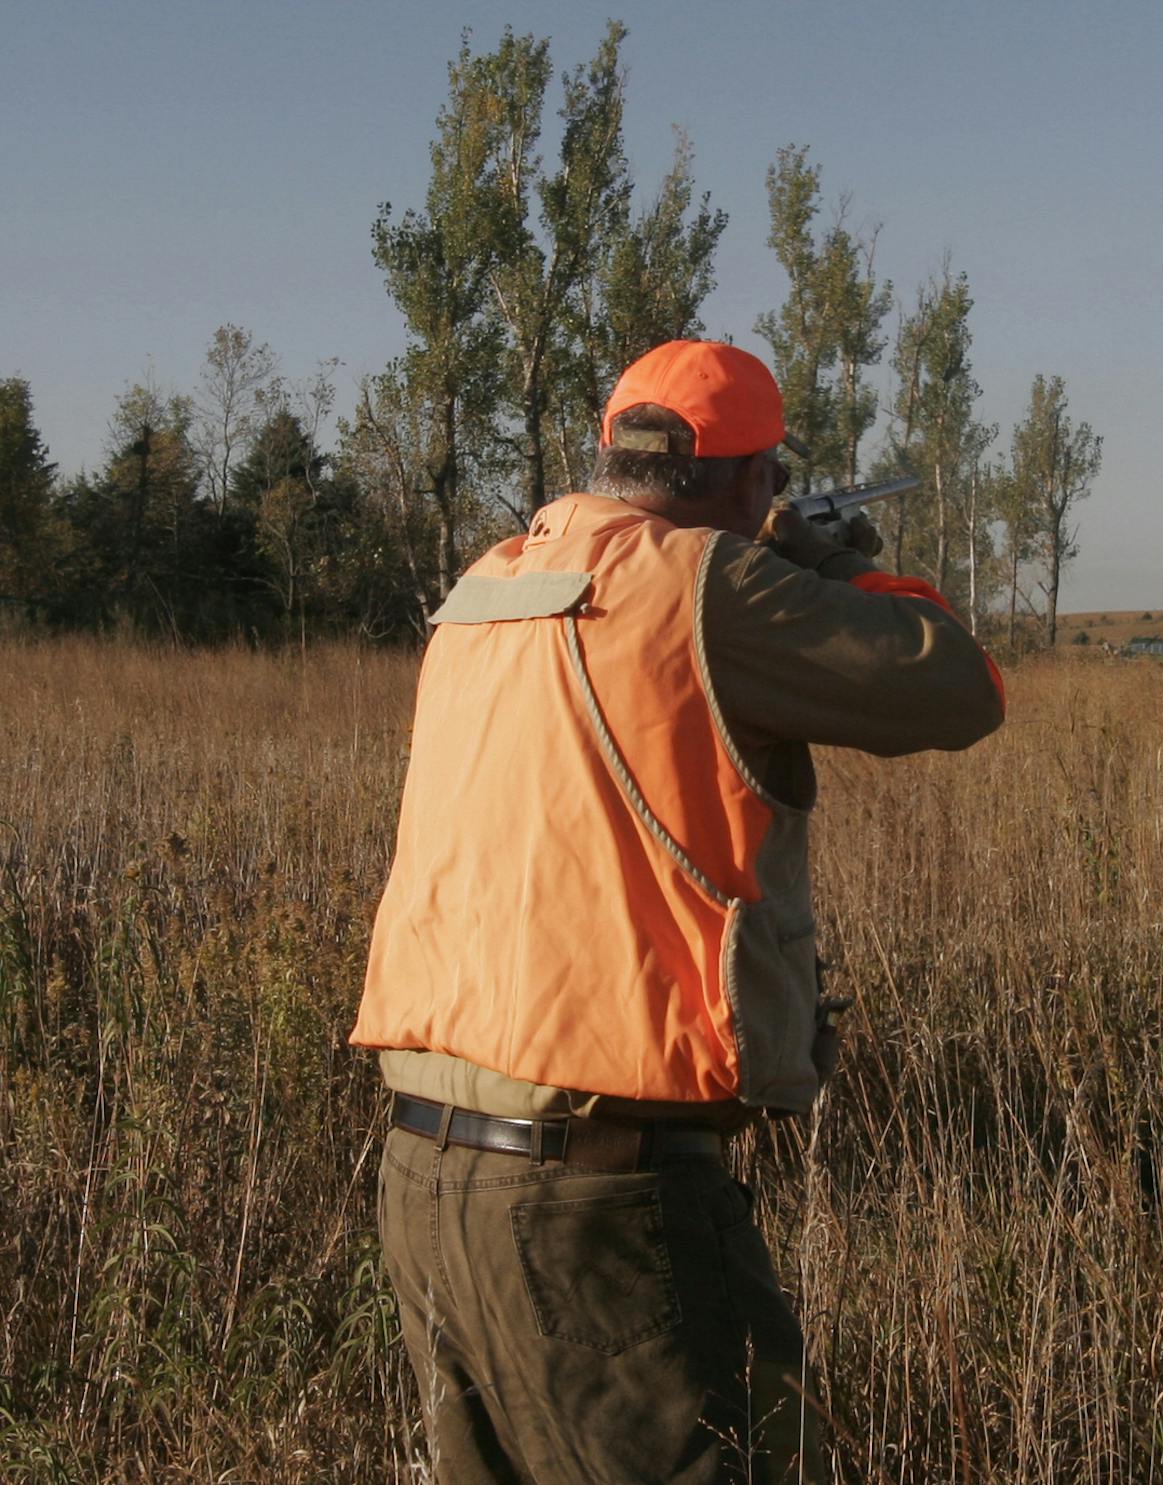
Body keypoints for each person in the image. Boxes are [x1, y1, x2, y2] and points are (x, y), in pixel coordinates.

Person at [351, 339, 1005, 1483]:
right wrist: (821, 560)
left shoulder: (482, 590)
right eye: (768, 484)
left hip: (422, 1173)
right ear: (749, 484)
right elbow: (956, 686)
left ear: (614, 454)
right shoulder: (713, 581)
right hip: (602, 1197)